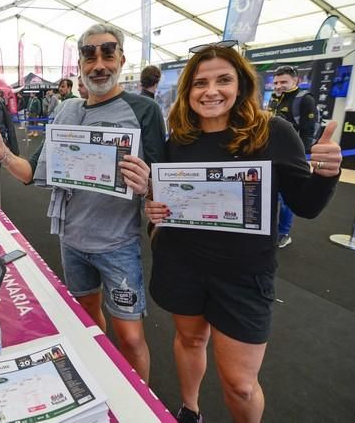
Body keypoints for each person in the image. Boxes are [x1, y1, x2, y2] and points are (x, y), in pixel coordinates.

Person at [144, 42, 341, 423]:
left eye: (223, 80)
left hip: (243, 275)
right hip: (182, 263)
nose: (211, 90)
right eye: (200, 82)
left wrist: (326, 174)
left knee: (240, 384)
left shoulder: (273, 132)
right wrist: (155, 208)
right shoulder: (178, 140)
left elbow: (307, 206)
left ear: (241, 85)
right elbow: (163, 203)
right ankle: (190, 409)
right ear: (188, 91)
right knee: (190, 340)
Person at [0, 23, 166, 382]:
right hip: (72, 240)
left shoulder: (143, 111)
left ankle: (143, 405)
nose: (99, 64)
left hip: (118, 244)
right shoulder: (67, 111)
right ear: (79, 64)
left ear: (121, 59)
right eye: (89, 55)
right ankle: (99, 378)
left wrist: (149, 184)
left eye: (108, 53)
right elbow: (31, 172)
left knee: (129, 336)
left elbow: (163, 184)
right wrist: (3, 153)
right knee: (87, 318)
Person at [268, 65, 318, 248]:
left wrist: (301, 156)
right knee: (272, 194)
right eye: (276, 82)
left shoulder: (305, 100)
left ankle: (283, 233)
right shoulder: (275, 99)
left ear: (295, 81)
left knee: (287, 197)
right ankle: (272, 229)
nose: (278, 85)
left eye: (283, 82)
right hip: (272, 152)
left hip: (293, 156)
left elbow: (308, 130)